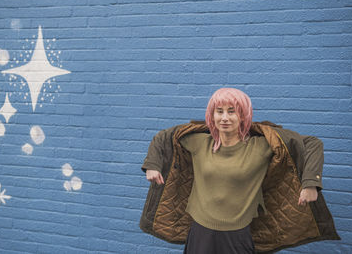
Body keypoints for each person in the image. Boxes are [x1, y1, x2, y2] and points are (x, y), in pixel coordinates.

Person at [139, 88, 340, 253]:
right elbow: (164, 137)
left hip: (237, 235)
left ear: (243, 115)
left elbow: (312, 143)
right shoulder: (199, 142)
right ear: (212, 115)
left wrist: (311, 183)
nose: (225, 118)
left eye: (232, 111)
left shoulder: (262, 146)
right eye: (219, 111)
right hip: (199, 232)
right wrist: (153, 165)